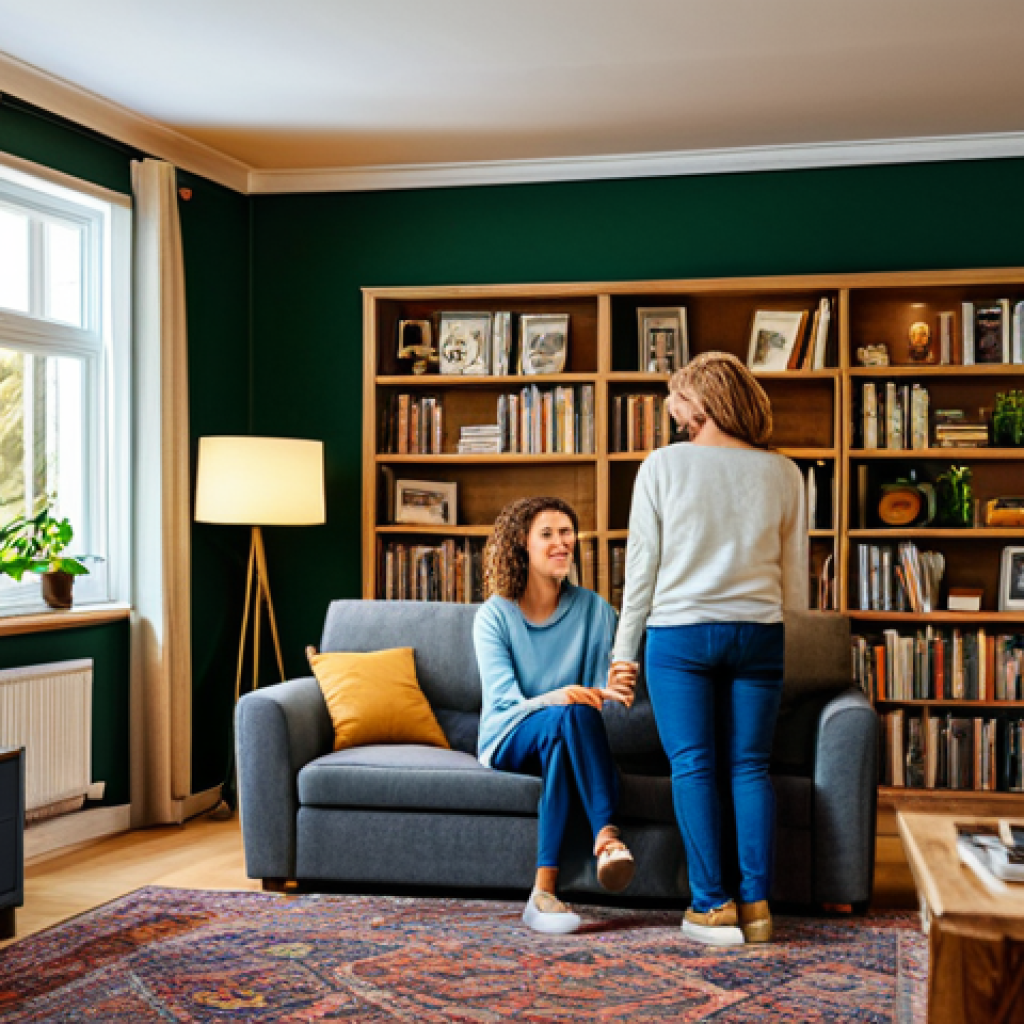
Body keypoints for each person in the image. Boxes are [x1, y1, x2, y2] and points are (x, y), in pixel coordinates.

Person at [611, 351, 807, 946]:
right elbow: (795, 584)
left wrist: (625, 653)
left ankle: (710, 907)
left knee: (694, 766)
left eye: (681, 405)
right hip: (760, 634)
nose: (676, 419)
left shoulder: (664, 467)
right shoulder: (784, 473)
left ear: (702, 401)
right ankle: (757, 909)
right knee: (750, 768)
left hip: (681, 635)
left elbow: (640, 570)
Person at [474, 496, 637, 934]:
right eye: (547, 534)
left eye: (566, 533)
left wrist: (619, 679)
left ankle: (544, 891)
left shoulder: (593, 609)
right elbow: (506, 702)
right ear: (521, 545)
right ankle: (606, 834)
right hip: (509, 736)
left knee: (571, 723)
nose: (561, 542)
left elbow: (608, 680)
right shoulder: (494, 616)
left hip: (568, 731)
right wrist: (560, 695)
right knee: (568, 715)